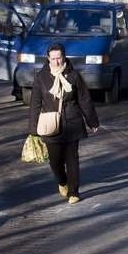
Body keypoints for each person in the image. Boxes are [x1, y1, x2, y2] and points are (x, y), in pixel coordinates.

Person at [29, 43, 99, 204]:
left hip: (72, 122)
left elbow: (84, 99)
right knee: (55, 161)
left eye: (59, 58)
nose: (56, 62)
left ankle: (74, 192)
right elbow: (35, 104)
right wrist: (33, 129)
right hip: (51, 126)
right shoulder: (41, 77)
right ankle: (62, 181)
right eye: (53, 58)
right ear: (48, 59)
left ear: (64, 57)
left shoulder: (74, 76)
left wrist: (92, 121)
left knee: (72, 159)